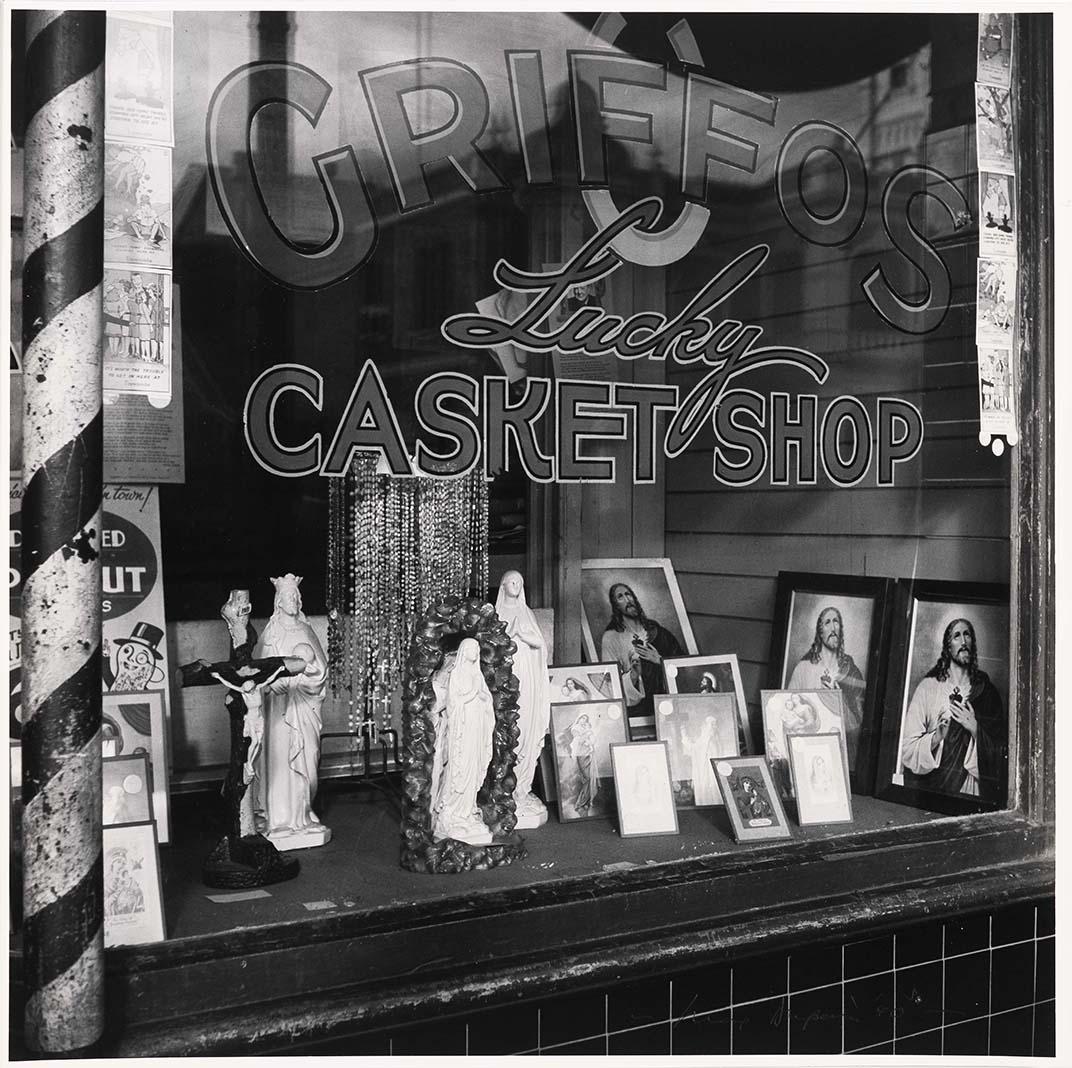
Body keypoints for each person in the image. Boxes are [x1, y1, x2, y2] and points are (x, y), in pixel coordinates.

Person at [254, 574, 331, 847]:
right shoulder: (272, 633)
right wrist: (274, 684)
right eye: (288, 597)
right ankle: (280, 820)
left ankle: (304, 816)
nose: (294, 601)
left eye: (296, 597)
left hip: (304, 705)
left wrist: (306, 674)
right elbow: (260, 670)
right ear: (279, 601)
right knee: (278, 760)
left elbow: (321, 669)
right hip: (279, 710)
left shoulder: (306, 629)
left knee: (307, 758)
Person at [900, 618, 1007, 802]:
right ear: (948, 646)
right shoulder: (928, 688)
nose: (964, 641)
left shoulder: (987, 692)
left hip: (973, 790)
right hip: (934, 792)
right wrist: (936, 738)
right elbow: (907, 751)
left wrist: (974, 728)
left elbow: (1003, 755)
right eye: (957, 636)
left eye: (968, 635)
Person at [496, 571, 550, 827]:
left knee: (527, 729)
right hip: (505, 681)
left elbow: (540, 643)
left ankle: (522, 788)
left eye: (519, 582)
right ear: (504, 586)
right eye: (511, 582)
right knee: (503, 732)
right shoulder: (496, 614)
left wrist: (520, 633)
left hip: (527, 680)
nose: (516, 586)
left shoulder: (526, 612)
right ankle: (501, 789)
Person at [430, 638, 495, 844]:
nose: (475, 651)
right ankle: (454, 812)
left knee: (474, 768)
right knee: (461, 769)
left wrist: (483, 699)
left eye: (477, 648)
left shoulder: (478, 675)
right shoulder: (457, 674)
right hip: (462, 730)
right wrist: (472, 694)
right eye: (471, 648)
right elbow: (453, 703)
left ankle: (467, 812)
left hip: (477, 729)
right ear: (463, 651)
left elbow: (487, 701)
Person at [599, 582, 684, 730]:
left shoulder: (657, 631)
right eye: (620, 597)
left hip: (666, 706)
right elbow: (609, 683)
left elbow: (683, 666)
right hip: (637, 712)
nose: (627, 600)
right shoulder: (612, 637)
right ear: (615, 605)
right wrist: (633, 676)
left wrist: (660, 661)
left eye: (628, 594)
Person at [787, 606, 866, 763]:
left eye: (836, 622)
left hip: (837, 750)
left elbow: (860, 724)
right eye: (827, 623)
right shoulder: (803, 668)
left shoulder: (851, 672)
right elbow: (788, 708)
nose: (833, 628)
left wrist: (838, 699)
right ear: (819, 631)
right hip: (805, 749)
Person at [680, 715, 721, 805]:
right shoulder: (703, 740)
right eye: (712, 724)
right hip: (705, 773)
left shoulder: (715, 740)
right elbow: (693, 749)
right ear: (706, 726)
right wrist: (684, 734)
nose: (714, 727)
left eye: (715, 725)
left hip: (713, 773)